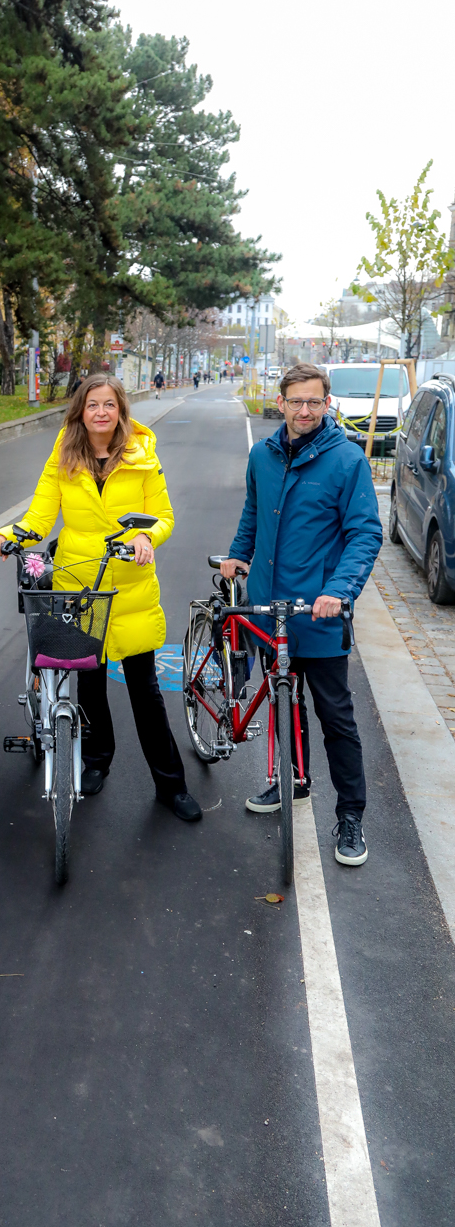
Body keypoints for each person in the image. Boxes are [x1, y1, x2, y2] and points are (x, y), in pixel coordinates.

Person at [0, 373, 202, 822]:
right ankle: (98, 760)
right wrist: (5, 536)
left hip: (131, 586)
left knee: (145, 690)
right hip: (78, 582)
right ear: (80, 411)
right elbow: (40, 517)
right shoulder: (64, 455)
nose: (101, 412)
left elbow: (163, 517)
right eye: (92, 405)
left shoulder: (143, 456)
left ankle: (171, 785)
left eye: (109, 404)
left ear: (121, 409)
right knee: (90, 683)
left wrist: (146, 537)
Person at [220, 363, 382, 866]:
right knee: (284, 705)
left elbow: (365, 533)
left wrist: (338, 591)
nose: (305, 410)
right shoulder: (262, 456)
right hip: (271, 610)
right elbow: (254, 512)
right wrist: (237, 553)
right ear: (282, 402)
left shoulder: (347, 460)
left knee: (336, 716)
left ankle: (350, 816)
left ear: (326, 403)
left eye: (314, 401)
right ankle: (293, 780)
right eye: (296, 401)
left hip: (320, 612)